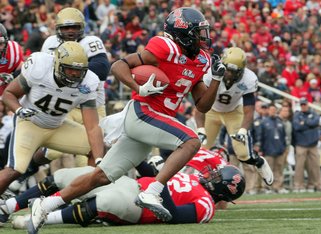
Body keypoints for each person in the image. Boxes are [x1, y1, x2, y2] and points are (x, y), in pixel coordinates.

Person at [28, 7, 224, 233]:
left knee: (100, 177)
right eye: (198, 33)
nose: (203, 38)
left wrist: (217, 79)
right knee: (191, 141)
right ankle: (152, 192)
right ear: (183, 33)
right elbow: (118, 65)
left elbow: (202, 105)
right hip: (142, 112)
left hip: (153, 122)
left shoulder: (201, 60)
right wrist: (138, 86)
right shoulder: (164, 47)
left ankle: (44, 206)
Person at [0, 42, 105, 200]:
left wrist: (99, 161)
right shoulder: (39, 67)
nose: (75, 75)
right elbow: (8, 94)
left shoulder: (89, 82)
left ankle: (85, 197)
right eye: (70, 69)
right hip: (30, 123)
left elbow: (93, 127)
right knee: (14, 169)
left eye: (79, 71)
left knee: (96, 149)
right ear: (57, 64)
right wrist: (19, 110)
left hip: (57, 126)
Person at [4, 164, 244, 229]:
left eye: (215, 177)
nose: (209, 174)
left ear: (223, 188)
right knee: (66, 175)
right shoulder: (194, 180)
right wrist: (142, 163)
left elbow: (175, 217)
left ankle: (42, 218)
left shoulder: (206, 206)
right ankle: (9, 206)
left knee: (105, 202)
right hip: (131, 183)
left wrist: (159, 183)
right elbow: (155, 177)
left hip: (139, 207)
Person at [194, 47, 274, 188]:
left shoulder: (249, 78)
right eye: (227, 69)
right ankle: (198, 182)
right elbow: (200, 104)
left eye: (233, 71)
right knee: (200, 149)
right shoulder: (209, 74)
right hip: (211, 110)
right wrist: (200, 128)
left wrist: (243, 130)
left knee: (244, 154)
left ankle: (259, 162)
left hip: (234, 112)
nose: (229, 74)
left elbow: (249, 109)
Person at [40, 7, 110, 168]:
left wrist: (66, 69)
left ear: (82, 28)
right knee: (53, 151)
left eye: (75, 27)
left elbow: (102, 68)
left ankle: (86, 188)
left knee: (94, 151)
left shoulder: (91, 41)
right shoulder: (50, 43)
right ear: (58, 28)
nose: (70, 31)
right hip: (66, 104)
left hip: (93, 105)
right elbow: (41, 70)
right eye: (66, 27)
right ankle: (29, 168)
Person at [292, 97, 321, 192]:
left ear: (307, 104)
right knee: (299, 166)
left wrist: (304, 123)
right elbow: (297, 126)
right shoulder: (297, 115)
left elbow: (316, 121)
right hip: (301, 144)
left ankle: (317, 184)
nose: (303, 106)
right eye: (301, 104)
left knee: (315, 165)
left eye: (304, 104)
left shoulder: (314, 113)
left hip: (313, 144)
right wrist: (310, 125)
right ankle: (298, 185)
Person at [255, 104, 287, 194]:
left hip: (279, 150)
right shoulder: (264, 122)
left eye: (274, 110)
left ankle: (278, 187)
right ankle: (267, 188)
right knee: (267, 170)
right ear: (268, 111)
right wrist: (260, 148)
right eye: (271, 110)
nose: (273, 111)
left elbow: (284, 136)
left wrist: (284, 147)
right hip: (268, 150)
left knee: (279, 170)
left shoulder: (280, 121)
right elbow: (260, 136)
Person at [0, 23, 24, 96]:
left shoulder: (13, 50)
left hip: (7, 89)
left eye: (0, 44)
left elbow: (23, 69)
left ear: (6, 43)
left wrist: (13, 76)